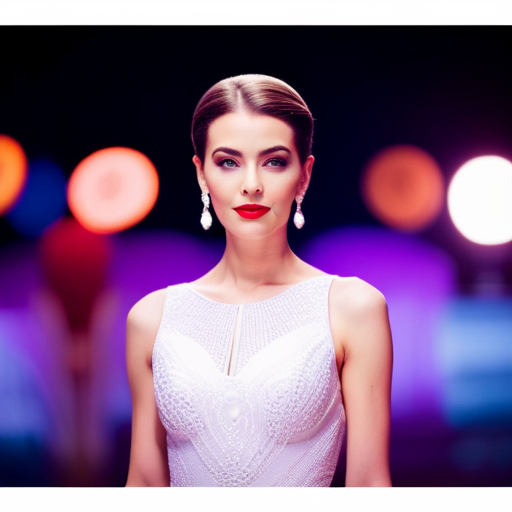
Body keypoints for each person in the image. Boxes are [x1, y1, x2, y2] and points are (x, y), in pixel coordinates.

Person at [125, 74, 393, 487]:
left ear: (303, 176)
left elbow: (370, 486)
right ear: (201, 174)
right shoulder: (152, 318)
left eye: (274, 161)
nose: (251, 184)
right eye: (228, 162)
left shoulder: (351, 308)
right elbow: (143, 485)